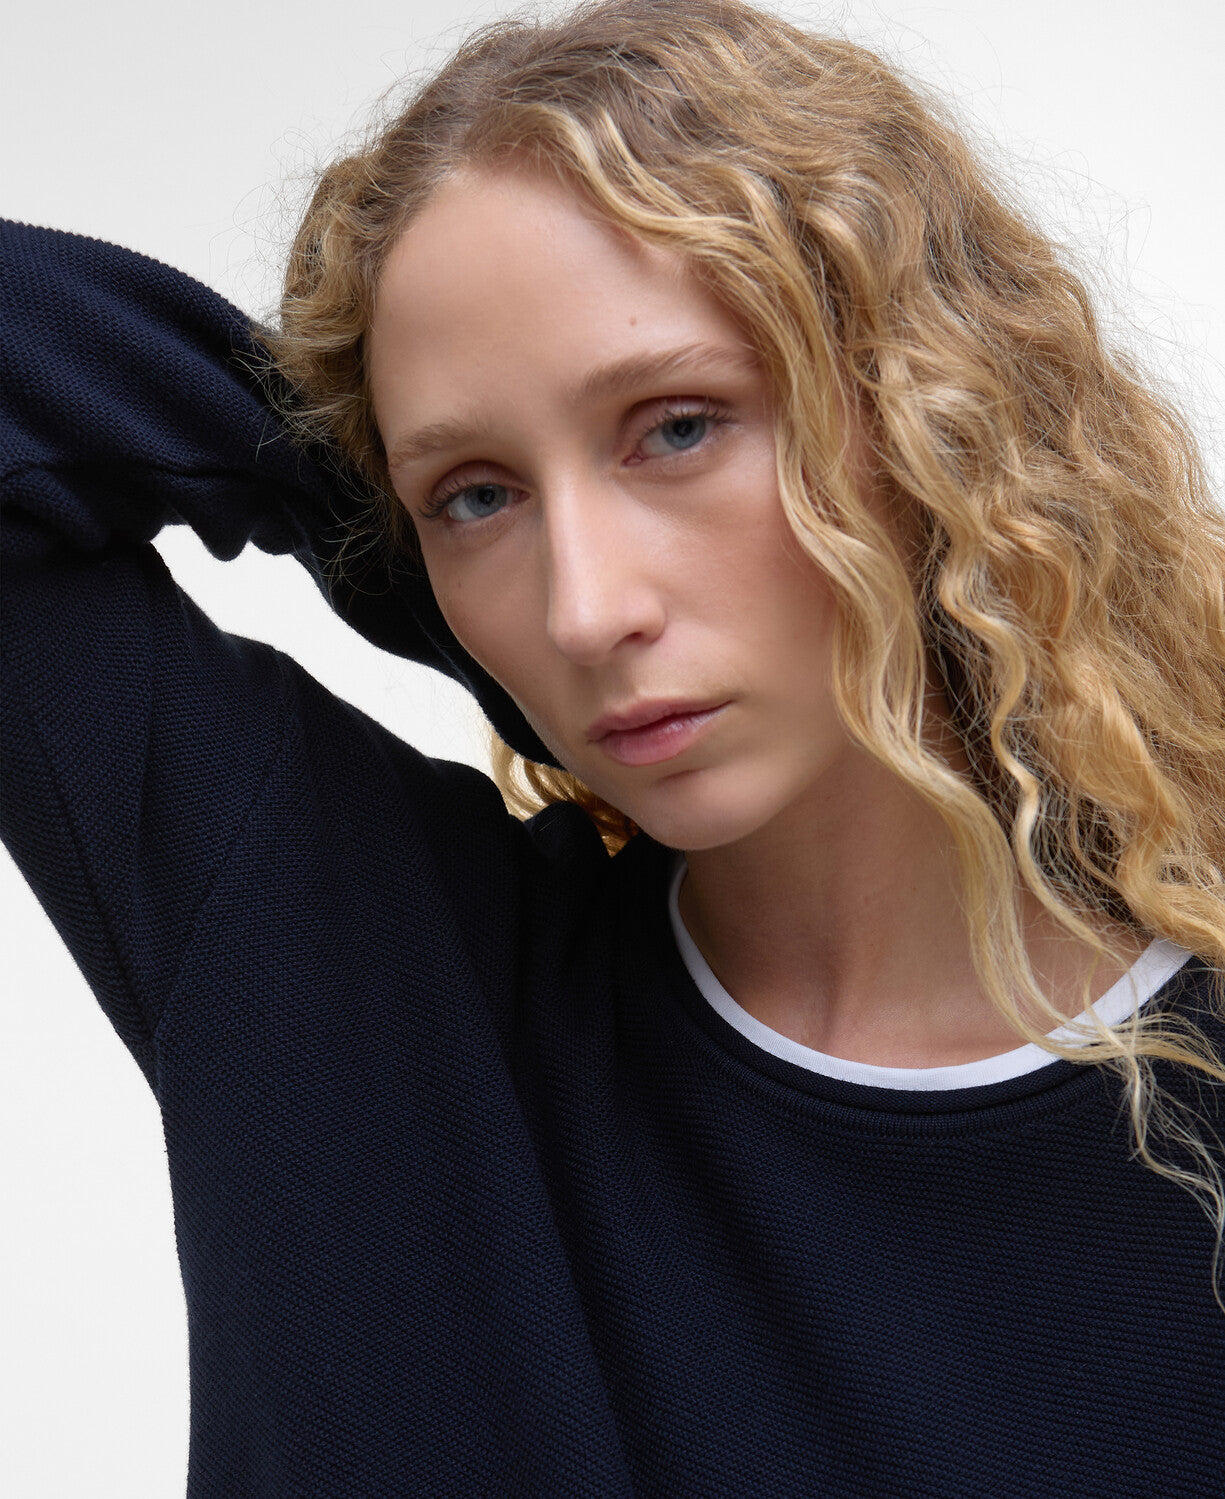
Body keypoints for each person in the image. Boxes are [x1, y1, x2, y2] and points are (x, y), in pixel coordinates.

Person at [3, 0, 1223, 1494]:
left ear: (932, 413)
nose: (582, 611)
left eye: (677, 427)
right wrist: (380, 527)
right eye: (475, 497)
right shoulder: (353, 962)